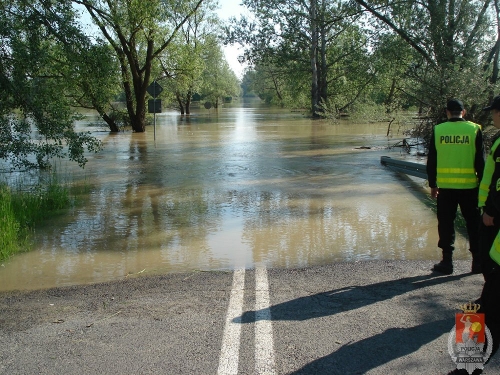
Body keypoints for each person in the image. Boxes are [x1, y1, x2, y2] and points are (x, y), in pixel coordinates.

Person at [426, 99, 485, 275]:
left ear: (447, 112)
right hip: (470, 187)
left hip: (445, 188)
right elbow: (480, 162)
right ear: (464, 112)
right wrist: (483, 187)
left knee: (445, 224)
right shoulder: (475, 129)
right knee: (473, 225)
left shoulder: (438, 130)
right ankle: (477, 263)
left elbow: (432, 161)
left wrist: (433, 184)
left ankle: (447, 262)